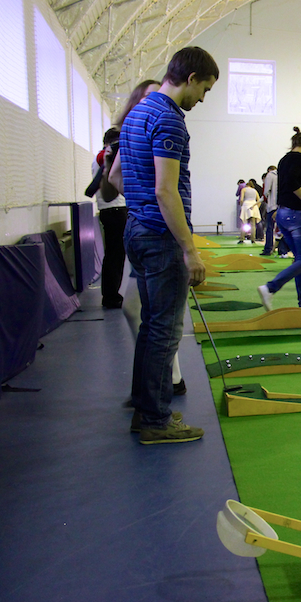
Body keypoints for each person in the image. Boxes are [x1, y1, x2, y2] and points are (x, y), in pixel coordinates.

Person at [109, 47, 218, 444]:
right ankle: (156, 420)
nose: (203, 98)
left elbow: (117, 175)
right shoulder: (170, 120)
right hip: (161, 237)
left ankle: (145, 412)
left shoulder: (136, 113)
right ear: (190, 78)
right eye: (204, 89)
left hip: (136, 231)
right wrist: (190, 250)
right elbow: (165, 190)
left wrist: (139, 206)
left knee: (151, 328)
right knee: (165, 332)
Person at [257, 128, 301, 313]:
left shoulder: (284, 159)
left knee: (299, 260)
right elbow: (294, 184)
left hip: (283, 213)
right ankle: (270, 288)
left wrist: (279, 207)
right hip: (295, 215)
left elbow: (283, 186)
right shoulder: (300, 159)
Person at [92, 126, 126, 308]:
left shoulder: (102, 158)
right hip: (115, 210)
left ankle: (111, 294)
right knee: (115, 255)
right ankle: (111, 296)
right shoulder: (104, 158)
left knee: (115, 254)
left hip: (110, 210)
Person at [260, 166, 279, 256]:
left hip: (272, 206)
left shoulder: (270, 175)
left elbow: (266, 191)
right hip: (283, 205)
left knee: (269, 228)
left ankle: (268, 249)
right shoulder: (283, 174)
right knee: (283, 229)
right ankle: (282, 249)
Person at [238, 179, 260, 243]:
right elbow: (258, 200)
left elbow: (241, 199)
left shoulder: (244, 189)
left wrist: (242, 206)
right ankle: (253, 239)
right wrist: (257, 207)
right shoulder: (255, 190)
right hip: (253, 206)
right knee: (253, 224)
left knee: (244, 223)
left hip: (246, 205)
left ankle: (242, 238)